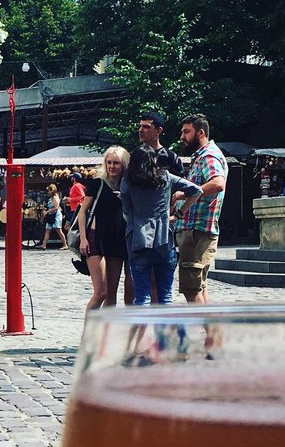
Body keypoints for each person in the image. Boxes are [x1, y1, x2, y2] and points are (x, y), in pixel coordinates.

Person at [121, 144, 202, 306]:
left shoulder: (128, 181)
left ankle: (142, 324)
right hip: (164, 240)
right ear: (154, 160)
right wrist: (178, 215)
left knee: (142, 298)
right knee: (166, 297)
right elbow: (197, 191)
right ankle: (165, 324)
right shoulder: (166, 177)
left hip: (138, 241)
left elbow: (126, 212)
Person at [174, 114, 228, 302]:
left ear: (201, 132)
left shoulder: (208, 156)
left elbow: (218, 183)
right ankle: (207, 323)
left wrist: (185, 194)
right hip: (197, 230)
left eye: (186, 132)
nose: (182, 136)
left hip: (197, 230)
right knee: (198, 286)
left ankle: (202, 322)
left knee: (191, 289)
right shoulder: (203, 155)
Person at [78, 148, 129, 307]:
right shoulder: (98, 183)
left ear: (123, 164)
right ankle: (90, 324)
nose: (112, 166)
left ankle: (107, 324)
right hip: (96, 238)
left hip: (117, 239)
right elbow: (82, 212)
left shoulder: (127, 186)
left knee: (112, 294)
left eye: (116, 163)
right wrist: (83, 238)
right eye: (109, 162)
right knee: (101, 292)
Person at [41, 182, 65, 250]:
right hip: (50, 215)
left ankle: (65, 244)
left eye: (49, 190)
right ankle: (44, 245)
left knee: (58, 230)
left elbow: (56, 207)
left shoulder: (55, 197)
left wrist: (48, 211)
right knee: (47, 230)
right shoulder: (50, 198)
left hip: (56, 215)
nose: (48, 192)